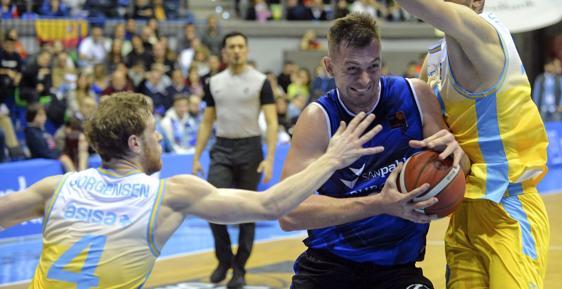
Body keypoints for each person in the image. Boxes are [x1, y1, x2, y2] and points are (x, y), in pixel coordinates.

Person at [304, 0, 550, 288]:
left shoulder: (487, 37)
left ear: (478, 0)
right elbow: (426, 131)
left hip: (508, 207)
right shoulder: (433, 63)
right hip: (460, 205)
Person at [0, 92, 384, 288]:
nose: (160, 140)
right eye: (153, 133)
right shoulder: (169, 193)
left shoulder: (55, 188)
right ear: (135, 143)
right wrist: (332, 159)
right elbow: (271, 205)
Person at [278, 13, 469, 289]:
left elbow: (458, 170)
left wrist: (457, 157)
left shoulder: (415, 95)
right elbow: (288, 213)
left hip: (398, 270)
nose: (366, 79)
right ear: (329, 67)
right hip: (329, 267)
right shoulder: (318, 119)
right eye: (352, 69)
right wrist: (380, 203)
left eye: (374, 66)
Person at [192, 32, 279, 289]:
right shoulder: (214, 82)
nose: (237, 50)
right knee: (210, 207)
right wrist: (197, 157)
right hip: (222, 147)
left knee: (247, 212)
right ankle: (224, 260)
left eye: (241, 46)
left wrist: (270, 159)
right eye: (232, 47)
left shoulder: (261, 81)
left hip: (250, 148)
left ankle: (239, 268)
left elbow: (272, 122)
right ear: (224, 52)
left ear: (247, 49)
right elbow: (207, 121)